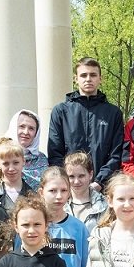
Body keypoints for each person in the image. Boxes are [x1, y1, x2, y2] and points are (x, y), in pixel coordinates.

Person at [47, 57, 124, 186]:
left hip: (103, 186)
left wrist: (99, 182)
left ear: (100, 78)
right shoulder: (60, 111)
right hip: (69, 186)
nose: (88, 79)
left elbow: (116, 154)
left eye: (93, 75)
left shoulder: (113, 113)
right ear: (76, 79)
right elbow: (55, 153)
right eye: (83, 75)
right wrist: (69, 180)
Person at [0, 138, 34, 224]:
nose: (11, 168)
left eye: (16, 163)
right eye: (6, 164)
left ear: (23, 161)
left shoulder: (33, 196)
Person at [3, 109, 47, 189]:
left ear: (36, 133)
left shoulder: (42, 159)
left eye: (31, 128)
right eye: (22, 126)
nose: (26, 132)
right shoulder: (2, 155)